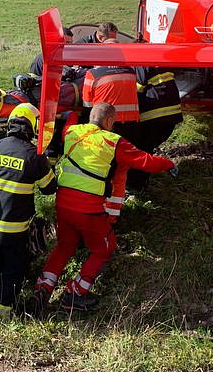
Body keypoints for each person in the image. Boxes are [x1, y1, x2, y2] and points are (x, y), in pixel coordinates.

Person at [34, 102, 175, 314]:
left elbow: (69, 122)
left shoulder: (72, 132)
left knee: (65, 246)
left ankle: (43, 287)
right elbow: (145, 161)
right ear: (109, 121)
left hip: (63, 203)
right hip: (88, 208)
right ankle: (75, 293)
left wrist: (72, 112)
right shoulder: (112, 141)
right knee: (104, 248)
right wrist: (169, 164)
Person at [0, 103, 57, 315]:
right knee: (13, 271)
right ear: (32, 127)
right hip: (13, 229)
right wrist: (48, 163)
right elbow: (49, 188)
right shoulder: (34, 156)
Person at [128, 67, 183, 192]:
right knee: (146, 147)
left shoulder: (138, 63)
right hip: (171, 115)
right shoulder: (152, 61)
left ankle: (135, 187)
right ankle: (137, 183)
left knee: (140, 149)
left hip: (154, 116)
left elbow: (136, 88)